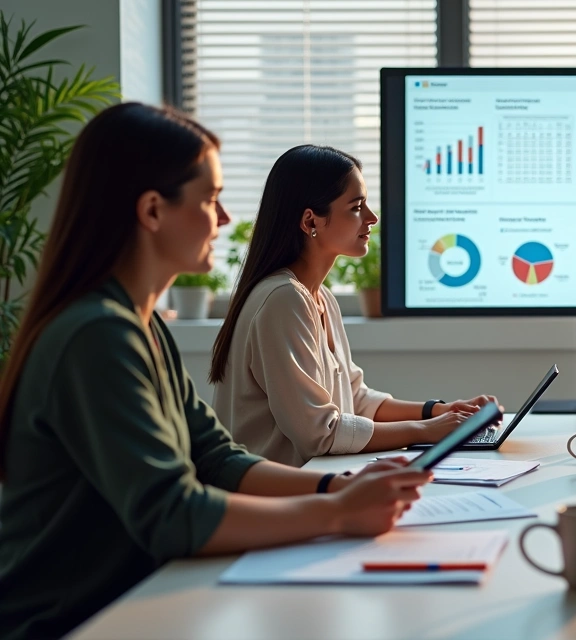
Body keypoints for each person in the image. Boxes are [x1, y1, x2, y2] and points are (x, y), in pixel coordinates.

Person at [0, 104, 430, 640]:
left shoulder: (143, 326)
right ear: (153, 210)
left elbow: (217, 457)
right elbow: (173, 513)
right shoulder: (96, 335)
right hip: (75, 622)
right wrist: (338, 512)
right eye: (209, 200)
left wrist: (334, 487)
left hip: (139, 599)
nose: (224, 219)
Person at [210, 145, 498, 467]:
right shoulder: (282, 300)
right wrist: (426, 430)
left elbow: (354, 400)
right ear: (310, 221)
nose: (372, 218)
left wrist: (438, 411)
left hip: (313, 487)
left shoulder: (318, 297)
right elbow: (321, 432)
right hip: (277, 504)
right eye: (357, 207)